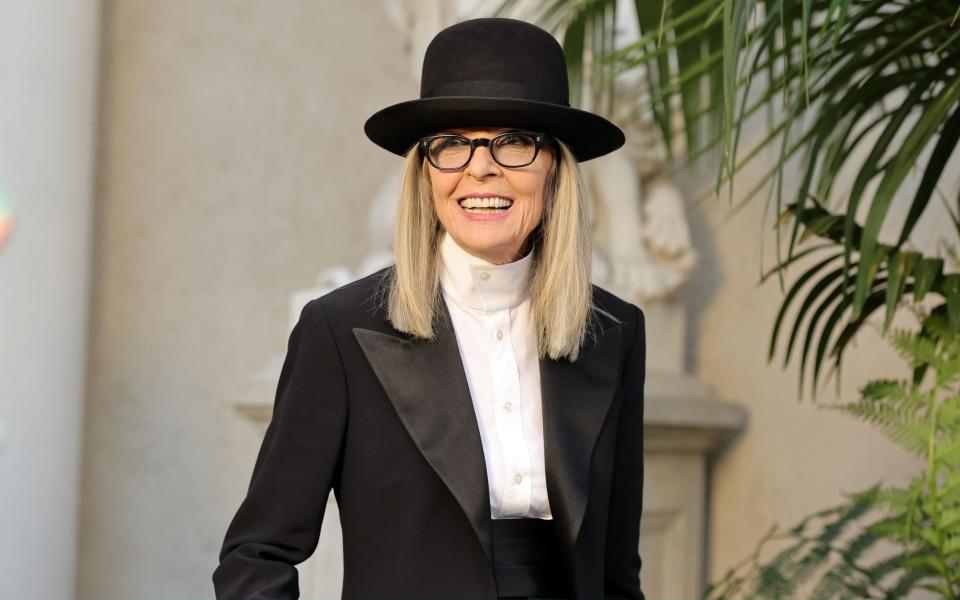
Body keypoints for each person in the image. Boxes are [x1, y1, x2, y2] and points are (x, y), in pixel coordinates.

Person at [213, 17, 646, 600]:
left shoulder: (614, 332)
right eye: (451, 144)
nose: (480, 168)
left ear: (555, 170)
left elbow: (617, 573)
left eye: (514, 142)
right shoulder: (341, 330)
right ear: (424, 172)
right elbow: (257, 554)